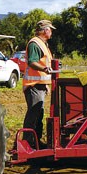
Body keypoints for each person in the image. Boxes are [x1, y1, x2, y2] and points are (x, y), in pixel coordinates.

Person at [22, 19, 55, 147]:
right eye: (50, 29)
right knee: (34, 114)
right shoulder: (35, 44)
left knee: (38, 114)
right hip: (33, 85)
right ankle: (29, 142)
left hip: (39, 84)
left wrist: (45, 84)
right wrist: (44, 69)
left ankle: (35, 141)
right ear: (45, 30)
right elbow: (32, 62)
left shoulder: (42, 44)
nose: (51, 32)